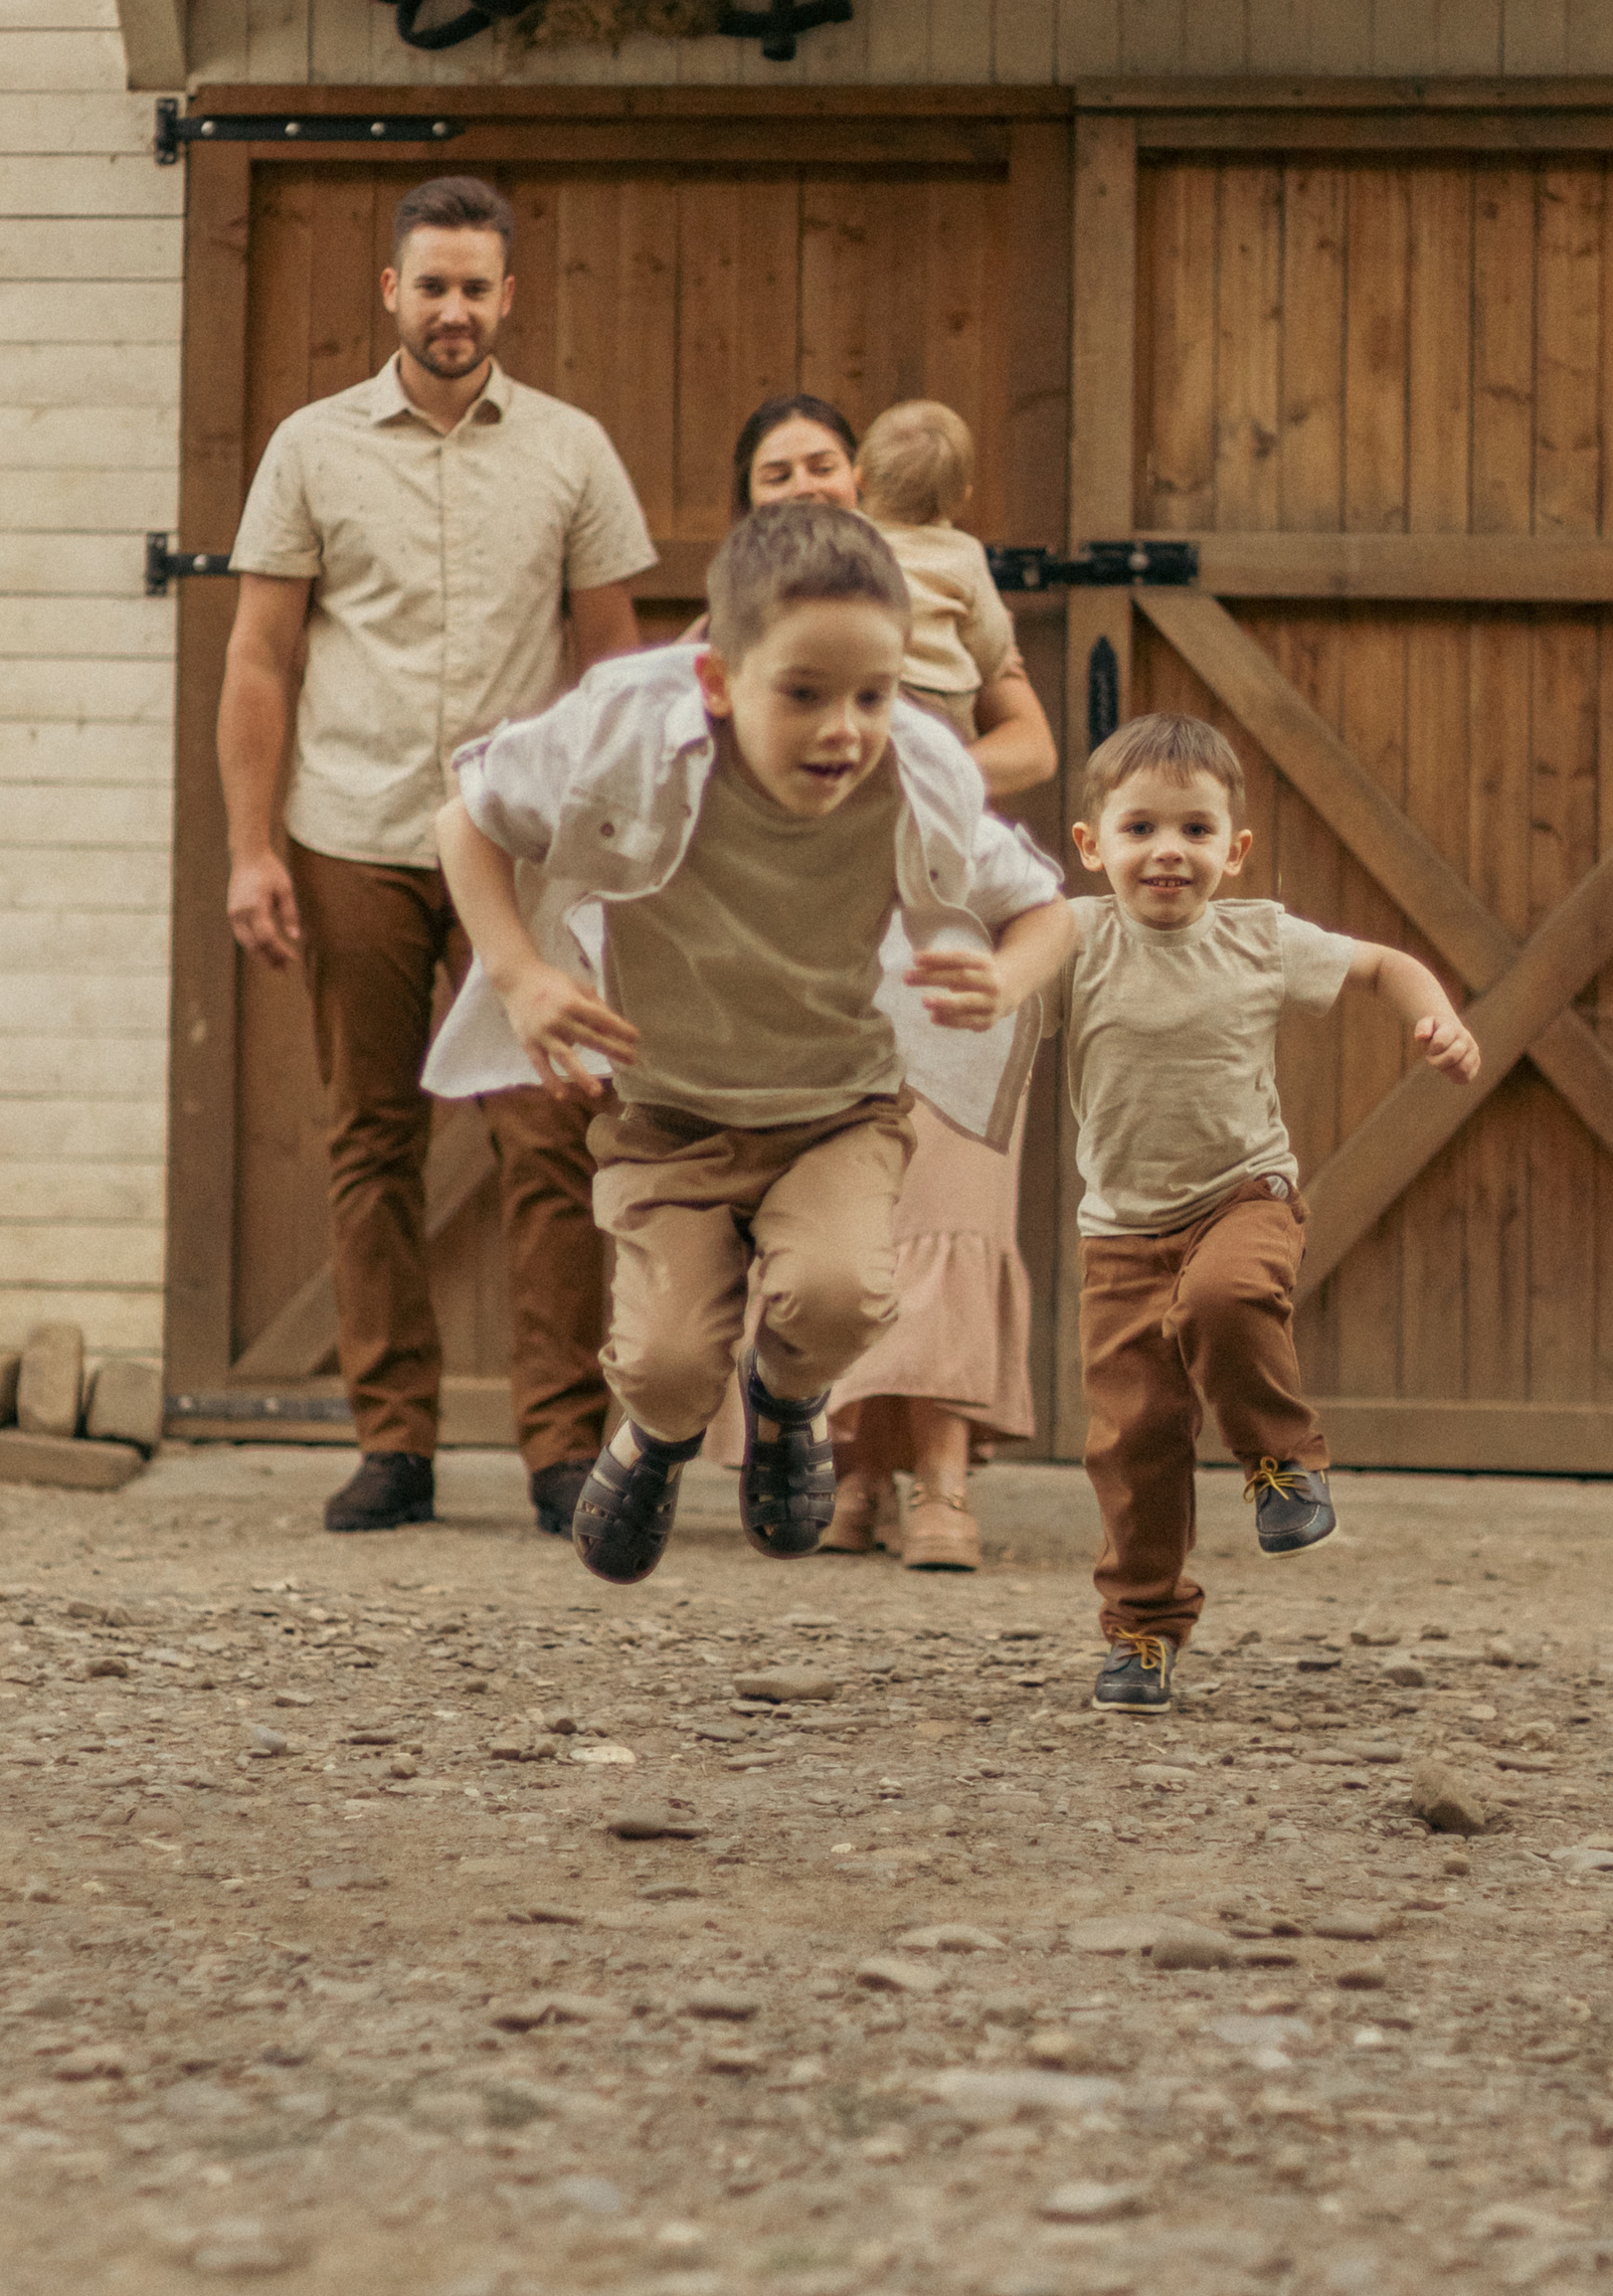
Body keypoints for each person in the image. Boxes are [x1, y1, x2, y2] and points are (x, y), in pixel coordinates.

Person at [428, 498, 1073, 1587]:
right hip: (669, 1114)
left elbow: (1046, 905)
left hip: (835, 1110)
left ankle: (787, 1405)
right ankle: (656, 1442)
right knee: (669, 1364)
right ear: (720, 681)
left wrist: (1004, 976)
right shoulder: (628, 729)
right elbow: (468, 818)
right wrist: (522, 974)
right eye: (805, 695)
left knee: (837, 1296)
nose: (845, 731)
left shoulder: (916, 771)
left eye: (872, 695)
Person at [220, 175, 655, 1537]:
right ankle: (393, 1443)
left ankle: (557, 1449)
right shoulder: (311, 448)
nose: (454, 308)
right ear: (391, 291)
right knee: (370, 1138)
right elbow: (259, 658)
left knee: (553, 1137)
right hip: (353, 827)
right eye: (433, 283)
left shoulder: (574, 451)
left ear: (507, 297)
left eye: (477, 285)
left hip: (524, 848)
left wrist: (617, 838)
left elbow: (616, 657)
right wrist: (250, 850)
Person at [1068, 710, 1480, 1714]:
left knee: (1225, 1298)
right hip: (1119, 1233)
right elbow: (989, 988)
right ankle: (1142, 1633)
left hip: (1240, 1195)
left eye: (1195, 831)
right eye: (1140, 829)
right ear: (1092, 847)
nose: (1168, 850)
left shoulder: (1258, 937)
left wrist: (1437, 1017)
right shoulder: (1074, 941)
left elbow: (1382, 965)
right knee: (1133, 1441)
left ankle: (1281, 1463)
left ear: (1233, 850)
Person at [730, 393, 1057, 1574]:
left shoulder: (918, 583)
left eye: (826, 461)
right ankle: (852, 1471)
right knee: (842, 1208)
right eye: (782, 470)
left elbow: (1032, 741)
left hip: (940, 897)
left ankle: (944, 1483)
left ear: (861, 478)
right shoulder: (750, 613)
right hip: (810, 918)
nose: (809, 482)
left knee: (952, 1193)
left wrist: (921, 763)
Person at [853, 398, 1020, 735]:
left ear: (860, 479)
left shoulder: (847, 535)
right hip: (946, 697)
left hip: (875, 689)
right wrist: (992, 668)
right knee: (948, 767)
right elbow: (989, 638)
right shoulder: (965, 552)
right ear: (963, 497)